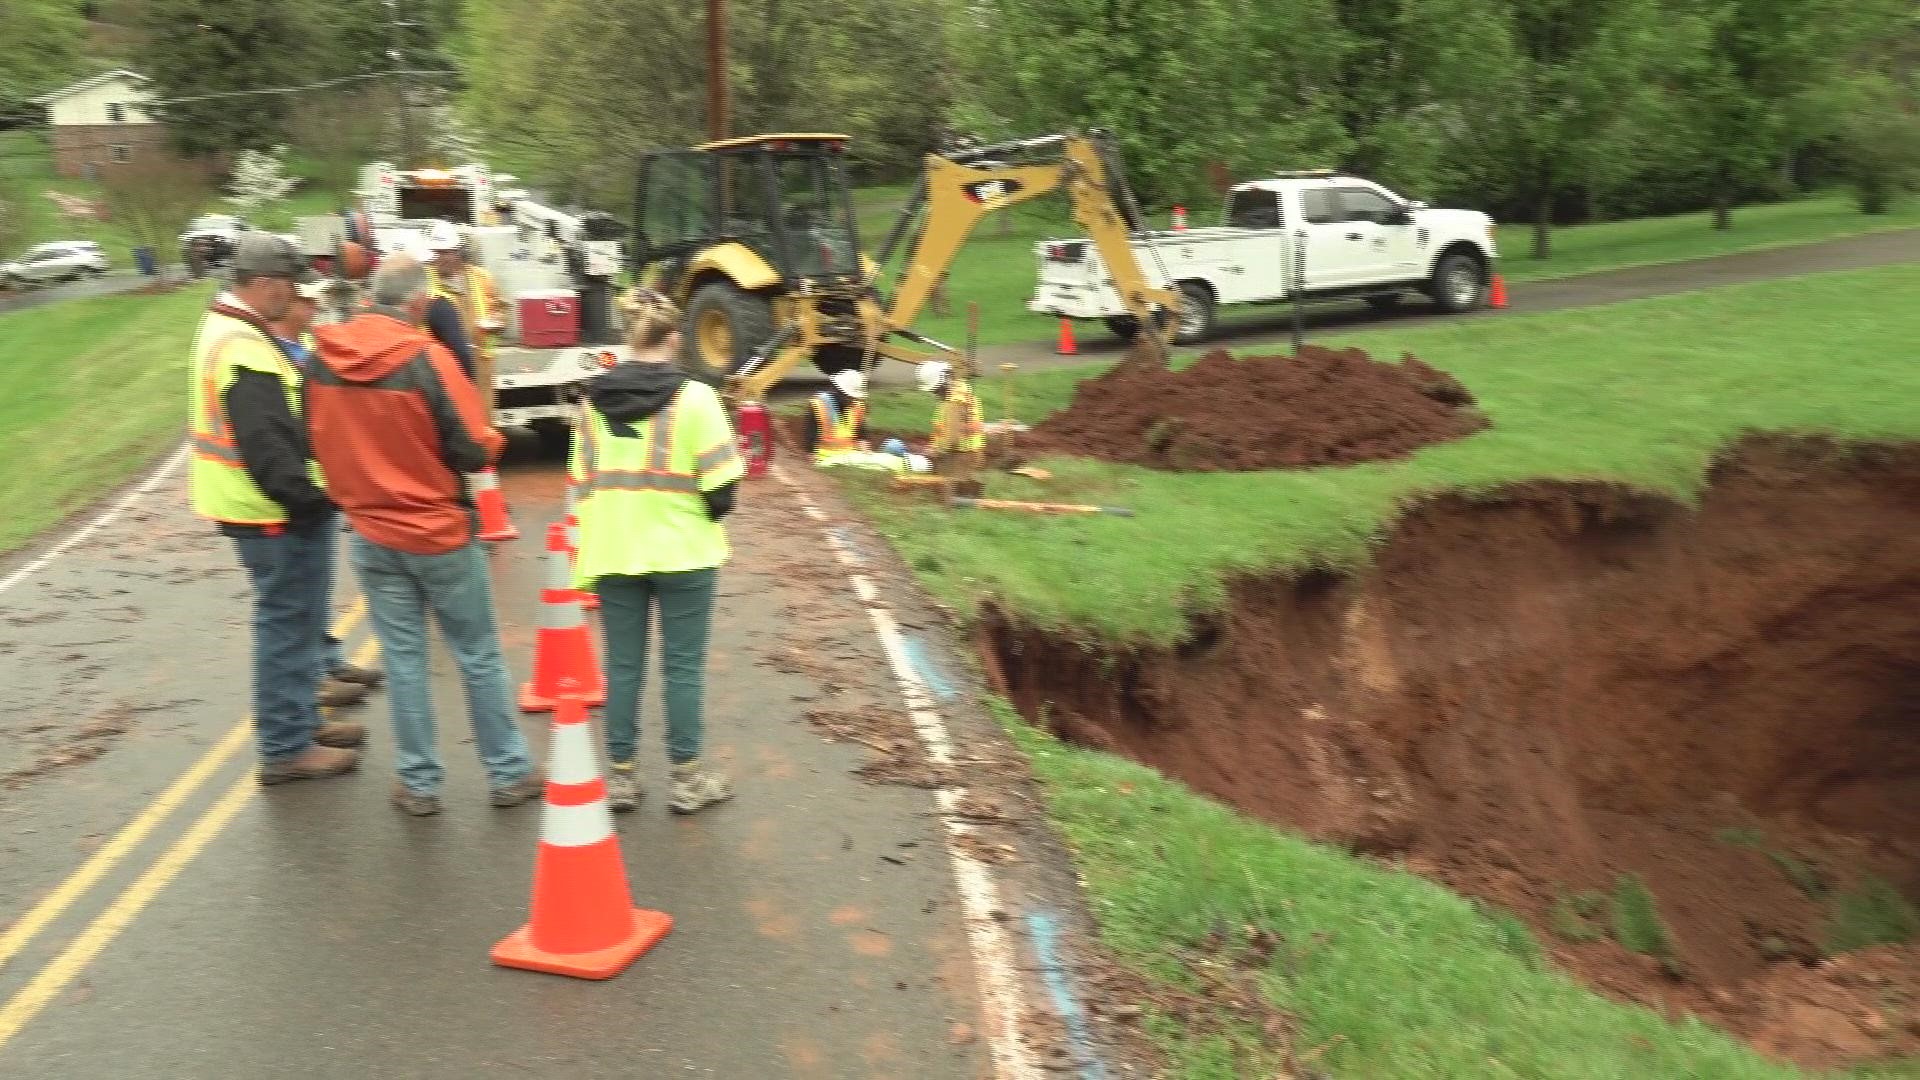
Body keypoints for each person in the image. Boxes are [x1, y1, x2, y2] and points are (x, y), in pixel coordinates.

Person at [306, 255, 541, 817]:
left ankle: (418, 783)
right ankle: (507, 772)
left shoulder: (321, 360)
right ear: (416, 304)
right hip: (439, 532)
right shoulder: (428, 359)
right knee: (477, 655)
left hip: (370, 529)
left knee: (404, 660)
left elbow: (311, 439)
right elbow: (474, 445)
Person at [187, 234, 364, 785]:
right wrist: (314, 503)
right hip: (268, 510)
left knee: (298, 622)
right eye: (288, 285)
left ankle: (302, 720)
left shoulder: (230, 330)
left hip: (258, 505)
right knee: (288, 627)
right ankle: (286, 745)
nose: (294, 298)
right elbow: (268, 447)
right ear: (262, 284)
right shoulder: (242, 347)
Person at [571, 289, 741, 814]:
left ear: (630, 337)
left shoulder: (591, 403)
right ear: (673, 339)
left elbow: (582, 484)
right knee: (682, 667)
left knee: (622, 668)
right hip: (684, 551)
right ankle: (686, 779)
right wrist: (696, 515)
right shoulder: (695, 398)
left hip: (615, 549)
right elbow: (723, 488)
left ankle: (621, 779)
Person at [269, 280, 385, 708]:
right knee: (297, 594)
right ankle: (315, 676)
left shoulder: (303, 350)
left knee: (317, 590)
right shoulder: (279, 356)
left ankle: (326, 660)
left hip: (323, 483)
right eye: (306, 299)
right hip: (299, 492)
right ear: (285, 305)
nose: (315, 305)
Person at [423, 221, 506, 411]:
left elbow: (500, 306)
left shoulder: (481, 277)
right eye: (436, 252)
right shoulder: (424, 280)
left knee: (482, 414)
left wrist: (497, 321)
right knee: (453, 414)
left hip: (481, 358)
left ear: (458, 252)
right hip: (443, 361)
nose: (440, 258)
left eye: (445, 252)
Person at [800, 369, 903, 472]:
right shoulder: (819, 405)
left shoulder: (857, 406)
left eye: (854, 397)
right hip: (829, 460)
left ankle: (905, 464)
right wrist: (813, 459)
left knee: (894, 445)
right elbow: (810, 436)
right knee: (891, 462)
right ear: (839, 391)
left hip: (853, 456)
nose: (852, 400)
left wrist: (867, 454)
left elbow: (862, 435)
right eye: (850, 397)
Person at [916, 361, 986, 480]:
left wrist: (937, 451)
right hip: (961, 453)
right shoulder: (956, 394)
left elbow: (953, 438)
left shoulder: (955, 401)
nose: (935, 393)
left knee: (950, 488)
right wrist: (934, 446)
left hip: (961, 455)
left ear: (944, 381)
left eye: (936, 389)